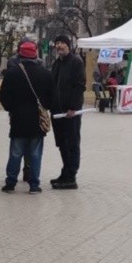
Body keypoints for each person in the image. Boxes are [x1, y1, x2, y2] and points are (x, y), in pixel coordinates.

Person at [0, 41, 53, 194]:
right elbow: (51, 98)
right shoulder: (45, 74)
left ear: (20, 55)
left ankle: (10, 183)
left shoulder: (11, 73)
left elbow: (3, 96)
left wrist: (11, 109)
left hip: (18, 120)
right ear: (36, 55)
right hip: (37, 121)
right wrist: (44, 108)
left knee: (16, 153)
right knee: (35, 154)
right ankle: (34, 185)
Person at [49, 35, 85, 190]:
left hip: (71, 112)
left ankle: (71, 176)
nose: (59, 46)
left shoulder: (76, 62)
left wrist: (73, 107)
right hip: (57, 112)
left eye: (62, 43)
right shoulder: (56, 63)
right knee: (62, 143)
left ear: (68, 45)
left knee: (71, 143)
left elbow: (80, 86)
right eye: (57, 43)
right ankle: (65, 172)